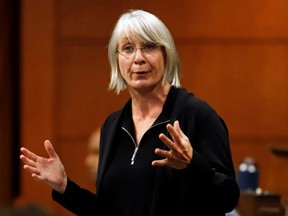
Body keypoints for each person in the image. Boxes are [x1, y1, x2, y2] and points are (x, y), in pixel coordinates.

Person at [20, 9, 240, 216]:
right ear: (116, 58)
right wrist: (64, 187)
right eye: (127, 48)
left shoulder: (196, 114)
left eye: (149, 47)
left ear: (166, 54)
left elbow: (228, 198)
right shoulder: (114, 125)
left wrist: (193, 165)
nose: (138, 58)